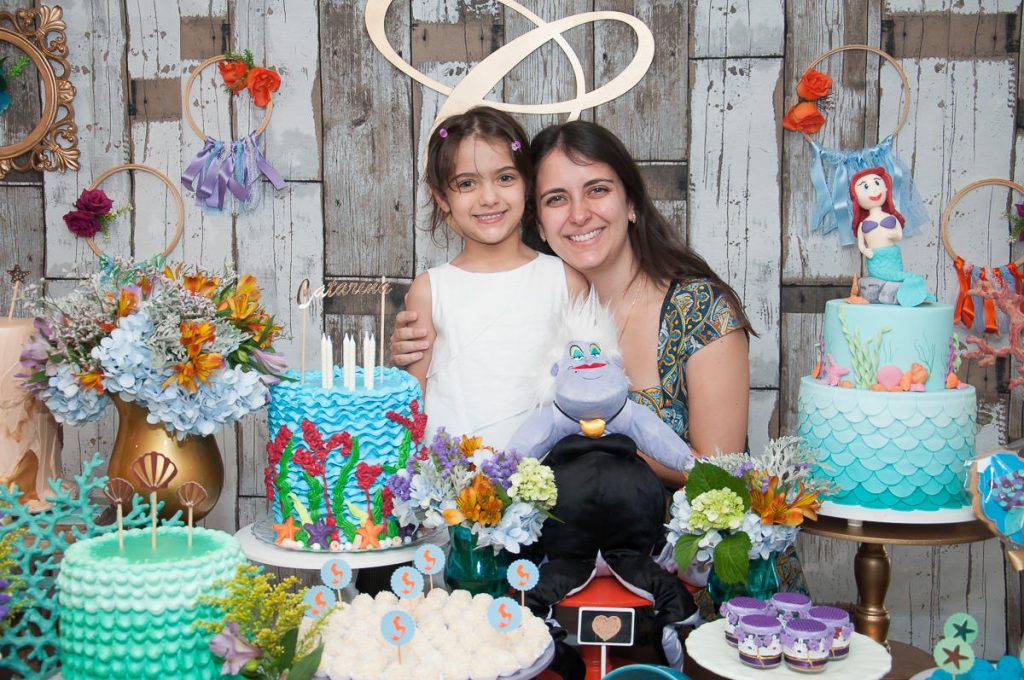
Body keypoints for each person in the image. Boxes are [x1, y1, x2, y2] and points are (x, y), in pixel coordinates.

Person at [394, 120, 752, 486]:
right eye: (557, 198)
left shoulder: (700, 312)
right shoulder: (546, 299)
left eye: (597, 190)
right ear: (540, 221)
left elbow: (721, 479)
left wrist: (587, 432)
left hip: (677, 534)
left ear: (631, 201)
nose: (579, 214)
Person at [402, 106, 587, 449]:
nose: (489, 198)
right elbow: (413, 406)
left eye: (505, 178)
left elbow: (585, 387)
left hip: (544, 483)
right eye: (467, 183)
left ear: (527, 184)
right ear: (442, 197)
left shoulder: (565, 281)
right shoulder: (430, 290)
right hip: (450, 484)